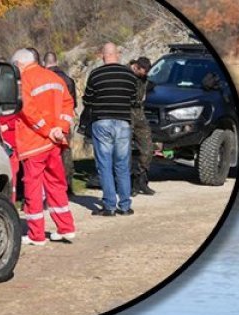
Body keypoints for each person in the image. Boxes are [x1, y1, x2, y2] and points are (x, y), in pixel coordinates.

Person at [11, 48, 75, 245]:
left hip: (35, 143)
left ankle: (36, 234)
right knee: (56, 183)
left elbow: (27, 111)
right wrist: (60, 128)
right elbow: (68, 104)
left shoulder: (24, 81)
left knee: (33, 187)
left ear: (20, 64)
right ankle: (66, 228)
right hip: (55, 142)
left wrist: (46, 129)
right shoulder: (54, 77)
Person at [82, 43, 139, 217]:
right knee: (122, 165)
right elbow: (135, 100)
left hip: (102, 122)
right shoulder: (129, 74)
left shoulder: (96, 74)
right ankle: (125, 205)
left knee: (104, 165)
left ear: (102, 55)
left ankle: (109, 205)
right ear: (118, 54)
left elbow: (88, 99)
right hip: (123, 122)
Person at [44, 52, 77, 193]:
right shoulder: (68, 80)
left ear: (44, 63)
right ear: (56, 61)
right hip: (64, 121)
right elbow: (72, 104)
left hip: (47, 121)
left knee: (48, 155)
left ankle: (50, 187)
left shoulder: (43, 78)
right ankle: (68, 186)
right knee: (66, 153)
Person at [129, 56, 156, 196]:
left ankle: (141, 179)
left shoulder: (144, 78)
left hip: (139, 112)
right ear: (137, 67)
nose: (144, 75)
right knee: (125, 150)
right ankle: (128, 183)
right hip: (126, 112)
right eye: (143, 72)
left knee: (147, 147)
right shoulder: (126, 74)